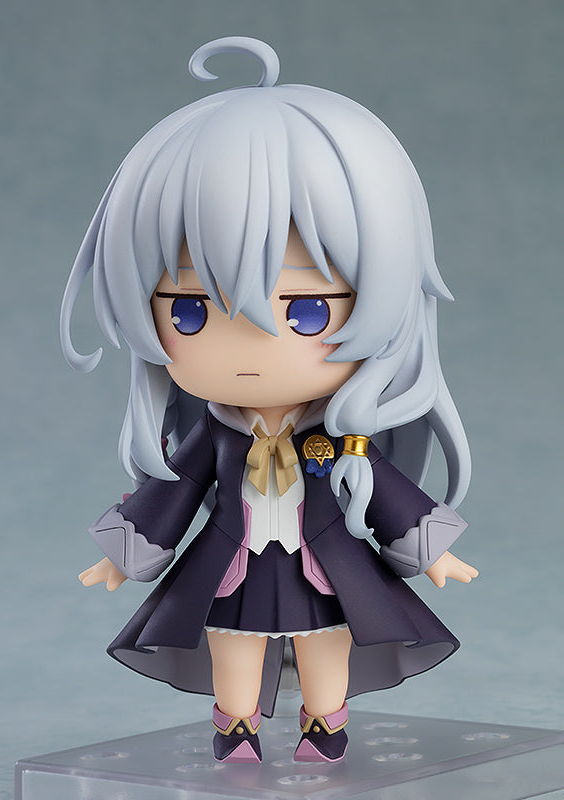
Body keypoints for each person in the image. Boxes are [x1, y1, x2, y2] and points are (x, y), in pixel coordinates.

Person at [61, 36, 478, 764]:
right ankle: (236, 727)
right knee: (233, 647)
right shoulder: (215, 435)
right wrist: (124, 554)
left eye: (306, 310)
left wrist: (428, 548)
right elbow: (174, 490)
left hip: (329, 566)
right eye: (190, 310)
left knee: (328, 644)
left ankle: (325, 724)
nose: (249, 346)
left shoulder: (341, 438)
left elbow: (381, 486)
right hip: (232, 567)